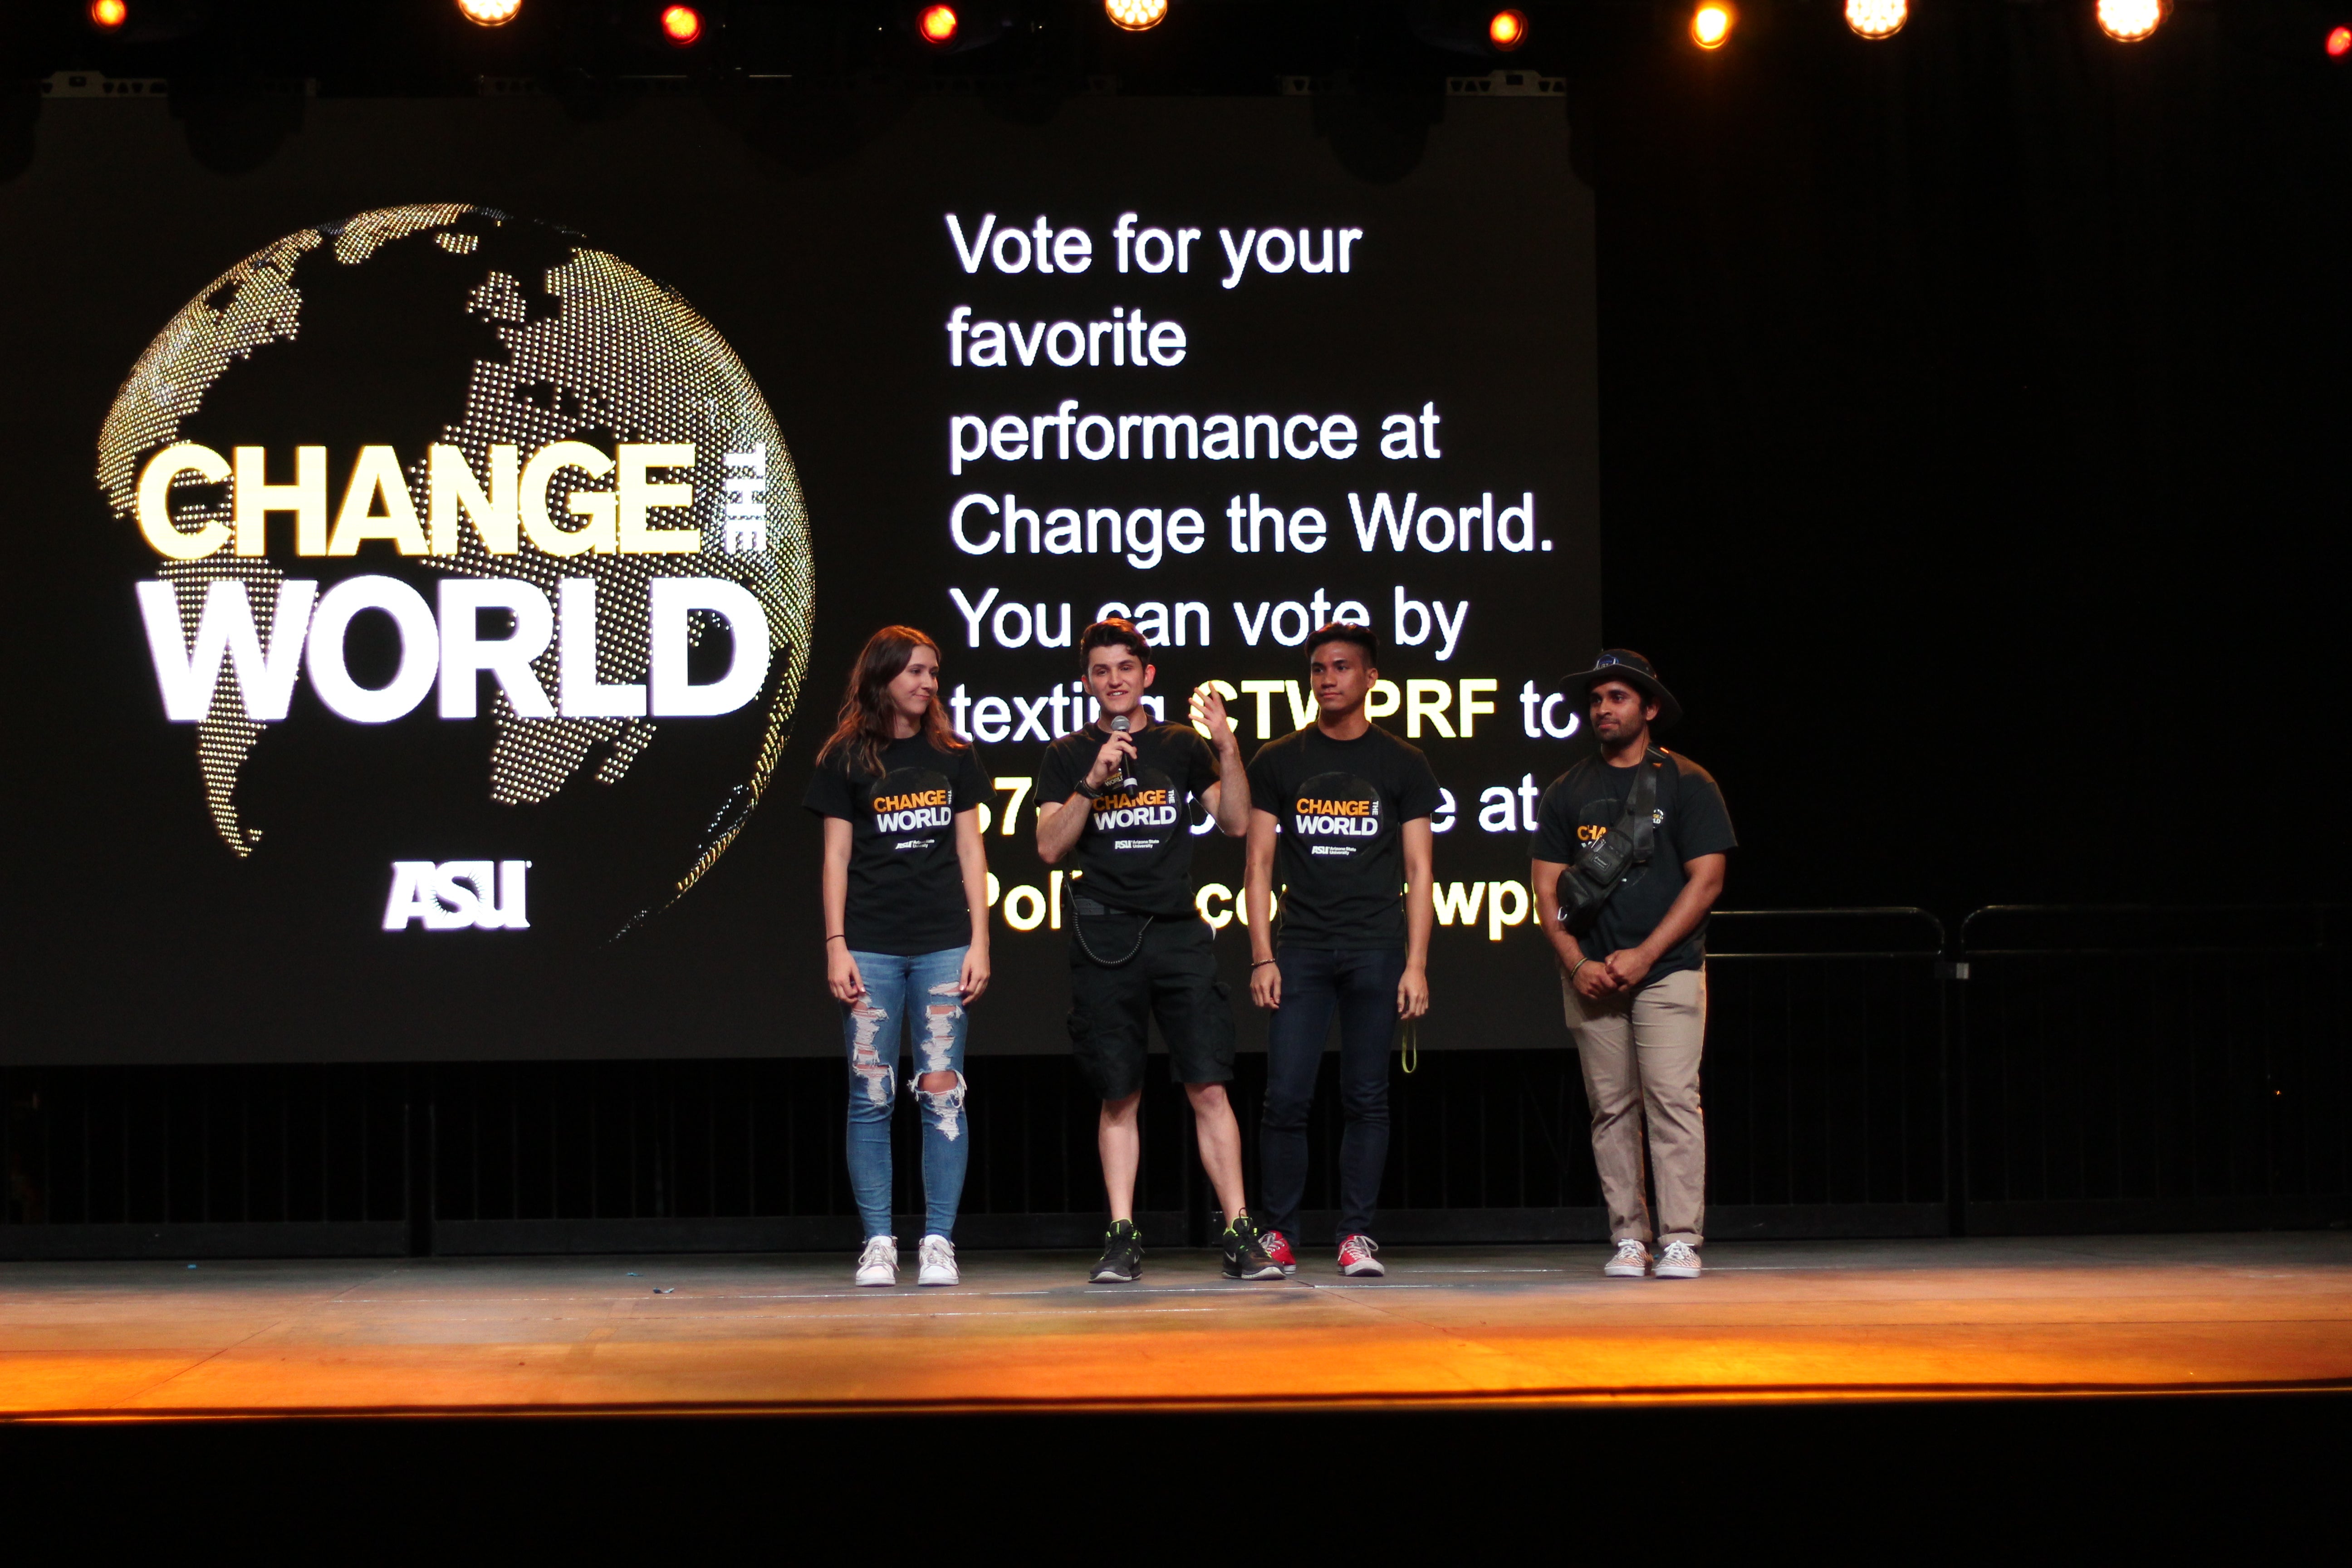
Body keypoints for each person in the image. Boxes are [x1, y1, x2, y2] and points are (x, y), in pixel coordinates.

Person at [1036, 619, 1281, 1284]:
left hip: (1176, 931)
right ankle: (1122, 1236)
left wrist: (1227, 749)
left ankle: (1238, 1232)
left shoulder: (1178, 746)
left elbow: (1233, 823)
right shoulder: (1067, 754)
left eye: (1125, 668)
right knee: (1120, 1093)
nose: (1114, 680)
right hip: (1105, 934)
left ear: (1147, 675)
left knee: (1209, 1083)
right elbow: (1050, 847)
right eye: (1100, 671)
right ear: (1088, 682)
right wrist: (1093, 780)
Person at [1529, 650, 1735, 1281]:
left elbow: (1707, 881)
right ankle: (1628, 1236)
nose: (1602, 709)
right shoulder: (1568, 790)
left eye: (1617, 698)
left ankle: (1679, 1237)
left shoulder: (1687, 783)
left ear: (1648, 708)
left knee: (1673, 1099)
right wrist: (1576, 962)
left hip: (1667, 968)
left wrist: (1646, 956)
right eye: (1595, 700)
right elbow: (1545, 889)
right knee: (1611, 1107)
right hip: (1592, 975)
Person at [1244, 623, 1438, 1278]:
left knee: (1367, 1096)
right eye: (1319, 668)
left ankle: (1356, 1235)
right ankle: (1279, 1234)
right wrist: (1262, 954)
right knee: (1286, 1097)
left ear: (1370, 678)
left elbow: (1419, 868)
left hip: (1377, 949)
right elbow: (1259, 865)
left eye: (1342, 667)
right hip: (1300, 948)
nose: (1328, 678)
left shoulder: (1403, 764)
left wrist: (1416, 963)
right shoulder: (1278, 761)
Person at [804, 627, 992, 1289]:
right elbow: (836, 859)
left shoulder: (954, 755)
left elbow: (972, 853)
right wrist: (836, 946)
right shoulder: (845, 759)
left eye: (934, 674)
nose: (928, 684)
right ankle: (879, 1240)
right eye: (916, 672)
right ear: (883, 676)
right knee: (871, 1095)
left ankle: (938, 1239)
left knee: (944, 1095)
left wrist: (981, 941)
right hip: (872, 947)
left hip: (943, 942)